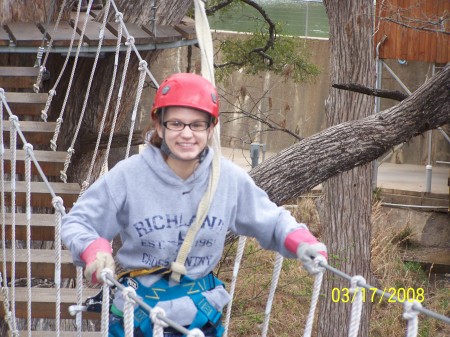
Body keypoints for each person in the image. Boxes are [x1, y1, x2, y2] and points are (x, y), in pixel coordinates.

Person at [61, 73, 328, 337]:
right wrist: (93, 249)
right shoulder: (128, 176)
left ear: (211, 128)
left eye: (197, 125)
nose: (187, 134)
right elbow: (78, 221)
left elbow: (270, 220)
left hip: (200, 318)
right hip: (137, 316)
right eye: (176, 123)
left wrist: (301, 240)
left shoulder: (226, 179)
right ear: (158, 124)